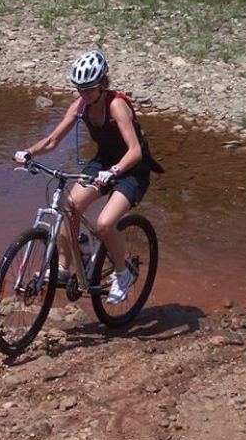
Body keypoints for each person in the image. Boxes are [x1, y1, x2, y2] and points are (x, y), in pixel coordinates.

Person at [14, 49, 159, 304]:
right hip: (103, 162)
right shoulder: (80, 105)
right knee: (68, 206)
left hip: (132, 169)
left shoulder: (116, 105)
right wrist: (29, 152)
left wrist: (113, 172)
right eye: (80, 89)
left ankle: (122, 274)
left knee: (104, 223)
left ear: (102, 83)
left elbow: (135, 151)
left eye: (90, 89)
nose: (85, 94)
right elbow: (53, 140)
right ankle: (65, 265)